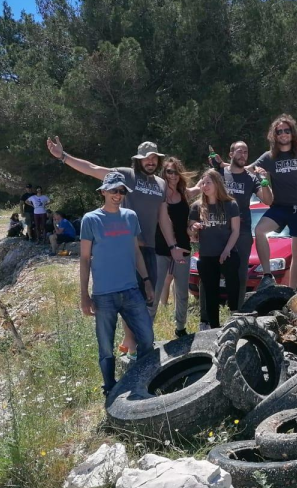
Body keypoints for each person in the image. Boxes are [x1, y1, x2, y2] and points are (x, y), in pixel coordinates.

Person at [47, 137, 187, 349]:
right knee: (130, 297)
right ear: (138, 160)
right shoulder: (126, 175)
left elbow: (163, 218)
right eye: (146, 158)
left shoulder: (160, 184)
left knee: (148, 297)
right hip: (127, 247)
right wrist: (63, 156)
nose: (150, 161)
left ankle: (136, 343)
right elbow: (93, 169)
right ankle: (131, 345)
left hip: (150, 248)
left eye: (153, 158)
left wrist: (172, 246)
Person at [80, 171, 155, 406]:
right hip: (104, 295)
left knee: (147, 338)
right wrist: (84, 295)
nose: (118, 195)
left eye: (122, 191)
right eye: (114, 190)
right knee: (106, 346)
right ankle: (110, 390)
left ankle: (141, 381)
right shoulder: (91, 219)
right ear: (103, 192)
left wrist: (146, 280)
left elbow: (136, 251)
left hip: (131, 290)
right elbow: (85, 259)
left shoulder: (130, 217)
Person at [205, 141, 273, 308]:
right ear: (231, 154)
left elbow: (268, 200)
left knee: (241, 275)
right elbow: (204, 189)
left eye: (246, 152)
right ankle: (208, 316)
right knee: (211, 272)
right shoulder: (219, 173)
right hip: (219, 230)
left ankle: (238, 312)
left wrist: (264, 181)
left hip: (242, 232)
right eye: (239, 151)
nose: (243, 155)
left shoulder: (251, 179)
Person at [252, 115, 297, 290]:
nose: (283, 134)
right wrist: (224, 166)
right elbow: (246, 169)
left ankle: (292, 291)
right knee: (259, 230)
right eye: (279, 131)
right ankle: (267, 275)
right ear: (274, 135)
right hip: (280, 207)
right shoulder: (269, 157)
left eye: (287, 130)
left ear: (292, 133)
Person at [151, 157, 199, 338]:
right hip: (161, 249)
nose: (172, 175)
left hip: (183, 248)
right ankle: (146, 331)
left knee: (182, 292)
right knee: (155, 292)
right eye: (169, 172)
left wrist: (216, 170)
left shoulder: (184, 193)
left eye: (176, 172)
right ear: (163, 174)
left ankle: (180, 328)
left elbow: (199, 188)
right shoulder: (158, 195)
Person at [189, 170, 241, 329]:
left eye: (208, 182)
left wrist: (226, 251)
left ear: (217, 183)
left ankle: (235, 318)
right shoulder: (197, 206)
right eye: (203, 183)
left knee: (233, 286)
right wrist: (193, 228)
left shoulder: (231, 204)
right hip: (207, 255)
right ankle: (214, 327)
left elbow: (235, 231)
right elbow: (190, 231)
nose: (205, 186)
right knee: (210, 293)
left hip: (228, 252)